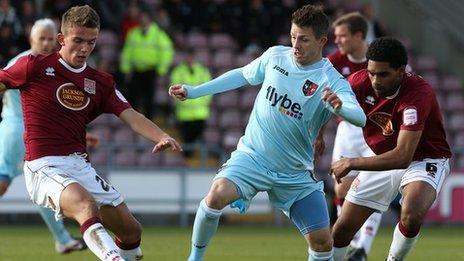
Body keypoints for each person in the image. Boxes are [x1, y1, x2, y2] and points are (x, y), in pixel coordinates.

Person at [169, 5, 366, 261]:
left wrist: (340, 108)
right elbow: (241, 75)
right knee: (216, 196)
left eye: (304, 39)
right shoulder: (276, 56)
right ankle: (195, 258)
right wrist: (195, 91)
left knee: (322, 242)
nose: (296, 44)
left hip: (294, 173)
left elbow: (359, 117)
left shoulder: (332, 81)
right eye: (293, 36)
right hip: (253, 158)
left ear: (322, 41)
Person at [0, 5, 182, 261]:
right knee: (85, 205)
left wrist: (161, 136)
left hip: (79, 165)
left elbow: (133, 116)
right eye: (78, 41)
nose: (84, 48)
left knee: (130, 230)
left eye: (91, 42)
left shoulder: (100, 82)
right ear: (62, 39)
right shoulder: (33, 67)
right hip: (43, 166)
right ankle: (111, 257)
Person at [330, 37, 451, 261]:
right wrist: (318, 134)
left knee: (412, 212)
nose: (375, 80)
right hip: (383, 158)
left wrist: (352, 162)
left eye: (383, 74)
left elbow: (403, 156)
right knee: (342, 229)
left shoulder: (418, 93)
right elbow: (327, 106)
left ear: (401, 71)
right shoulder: (358, 82)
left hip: (424, 159)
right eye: (371, 72)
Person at [0, 17, 87, 255]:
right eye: (42, 38)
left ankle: (63, 238)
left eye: (51, 38)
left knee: (39, 187)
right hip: (19, 131)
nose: (47, 43)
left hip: (27, 130)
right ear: (31, 39)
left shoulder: (52, 64)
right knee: (13, 181)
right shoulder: (24, 63)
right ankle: (64, 237)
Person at [328, 12, 381, 260]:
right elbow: (321, 100)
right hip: (348, 129)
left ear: (359, 36)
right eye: (336, 36)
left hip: (379, 130)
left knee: (375, 189)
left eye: (342, 36)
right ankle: (347, 241)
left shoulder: (380, 58)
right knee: (340, 189)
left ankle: (363, 248)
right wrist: (317, 134)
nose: (337, 41)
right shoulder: (334, 62)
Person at [120, 8, 174, 120]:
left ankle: (149, 120)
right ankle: (133, 120)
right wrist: (125, 68)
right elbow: (127, 51)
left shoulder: (158, 34)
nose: (143, 20)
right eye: (141, 18)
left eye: (145, 18)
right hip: (136, 70)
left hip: (151, 70)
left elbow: (167, 51)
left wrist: (161, 69)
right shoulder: (133, 33)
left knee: (149, 97)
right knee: (133, 96)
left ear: (150, 20)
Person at [169, 48, 212, 157]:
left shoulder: (203, 71)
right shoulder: (178, 71)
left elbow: (209, 88)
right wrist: (182, 101)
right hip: (184, 112)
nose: (190, 59)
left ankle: (192, 156)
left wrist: (202, 101)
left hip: (200, 111)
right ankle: (187, 157)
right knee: (186, 137)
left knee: (196, 134)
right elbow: (174, 88)